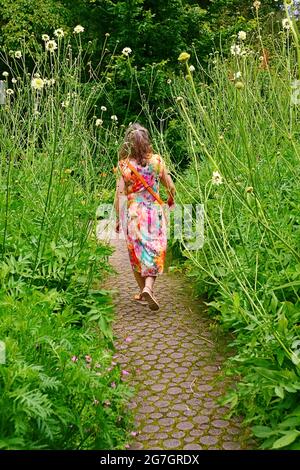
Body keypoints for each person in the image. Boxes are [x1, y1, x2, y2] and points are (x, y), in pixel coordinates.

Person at [114, 123, 175, 311]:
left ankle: (143, 292)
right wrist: (170, 200)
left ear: (128, 144)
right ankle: (149, 287)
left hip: (133, 215)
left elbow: (119, 195)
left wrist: (118, 218)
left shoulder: (124, 165)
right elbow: (170, 186)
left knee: (136, 255)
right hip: (153, 214)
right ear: (146, 141)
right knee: (154, 252)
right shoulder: (157, 161)